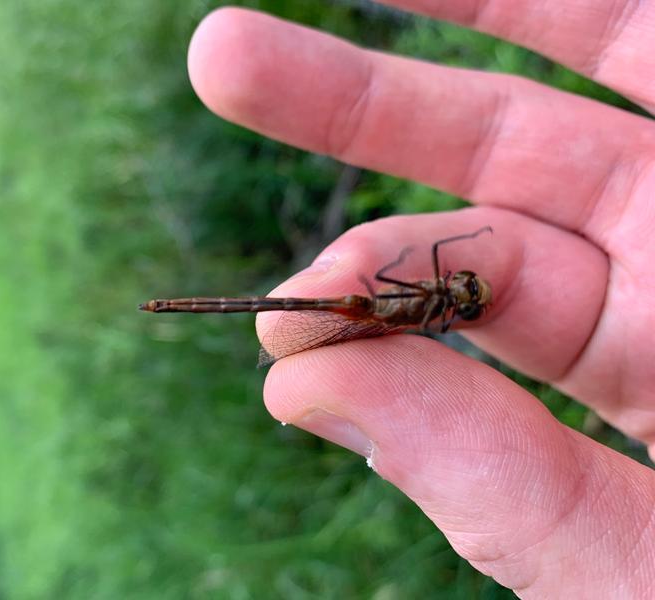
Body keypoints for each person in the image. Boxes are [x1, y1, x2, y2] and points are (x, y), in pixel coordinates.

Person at [188, 4, 655, 597]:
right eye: (464, 287)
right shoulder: (437, 308)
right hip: (370, 307)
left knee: (358, 282)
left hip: (371, 310)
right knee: (346, 287)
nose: (461, 285)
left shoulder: (432, 302)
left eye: (462, 289)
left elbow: (409, 275)